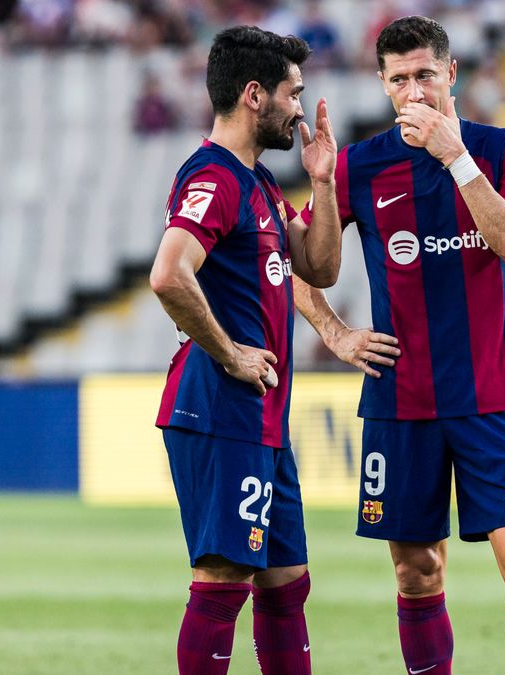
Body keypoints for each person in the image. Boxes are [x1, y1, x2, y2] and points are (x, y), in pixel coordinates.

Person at [297, 15, 505, 674]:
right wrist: (335, 331)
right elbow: (296, 266)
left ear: (451, 73)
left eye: (424, 74)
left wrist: (456, 157)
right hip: (401, 399)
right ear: (383, 86)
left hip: (491, 393)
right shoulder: (358, 166)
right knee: (416, 571)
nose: (413, 90)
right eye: (399, 79)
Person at [149, 26, 343, 675]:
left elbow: (318, 266)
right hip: (221, 410)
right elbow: (169, 271)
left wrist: (323, 183)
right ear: (255, 95)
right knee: (224, 577)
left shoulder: (258, 184)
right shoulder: (215, 178)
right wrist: (231, 352)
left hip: (263, 421)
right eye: (294, 93)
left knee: (287, 584)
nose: (300, 107)